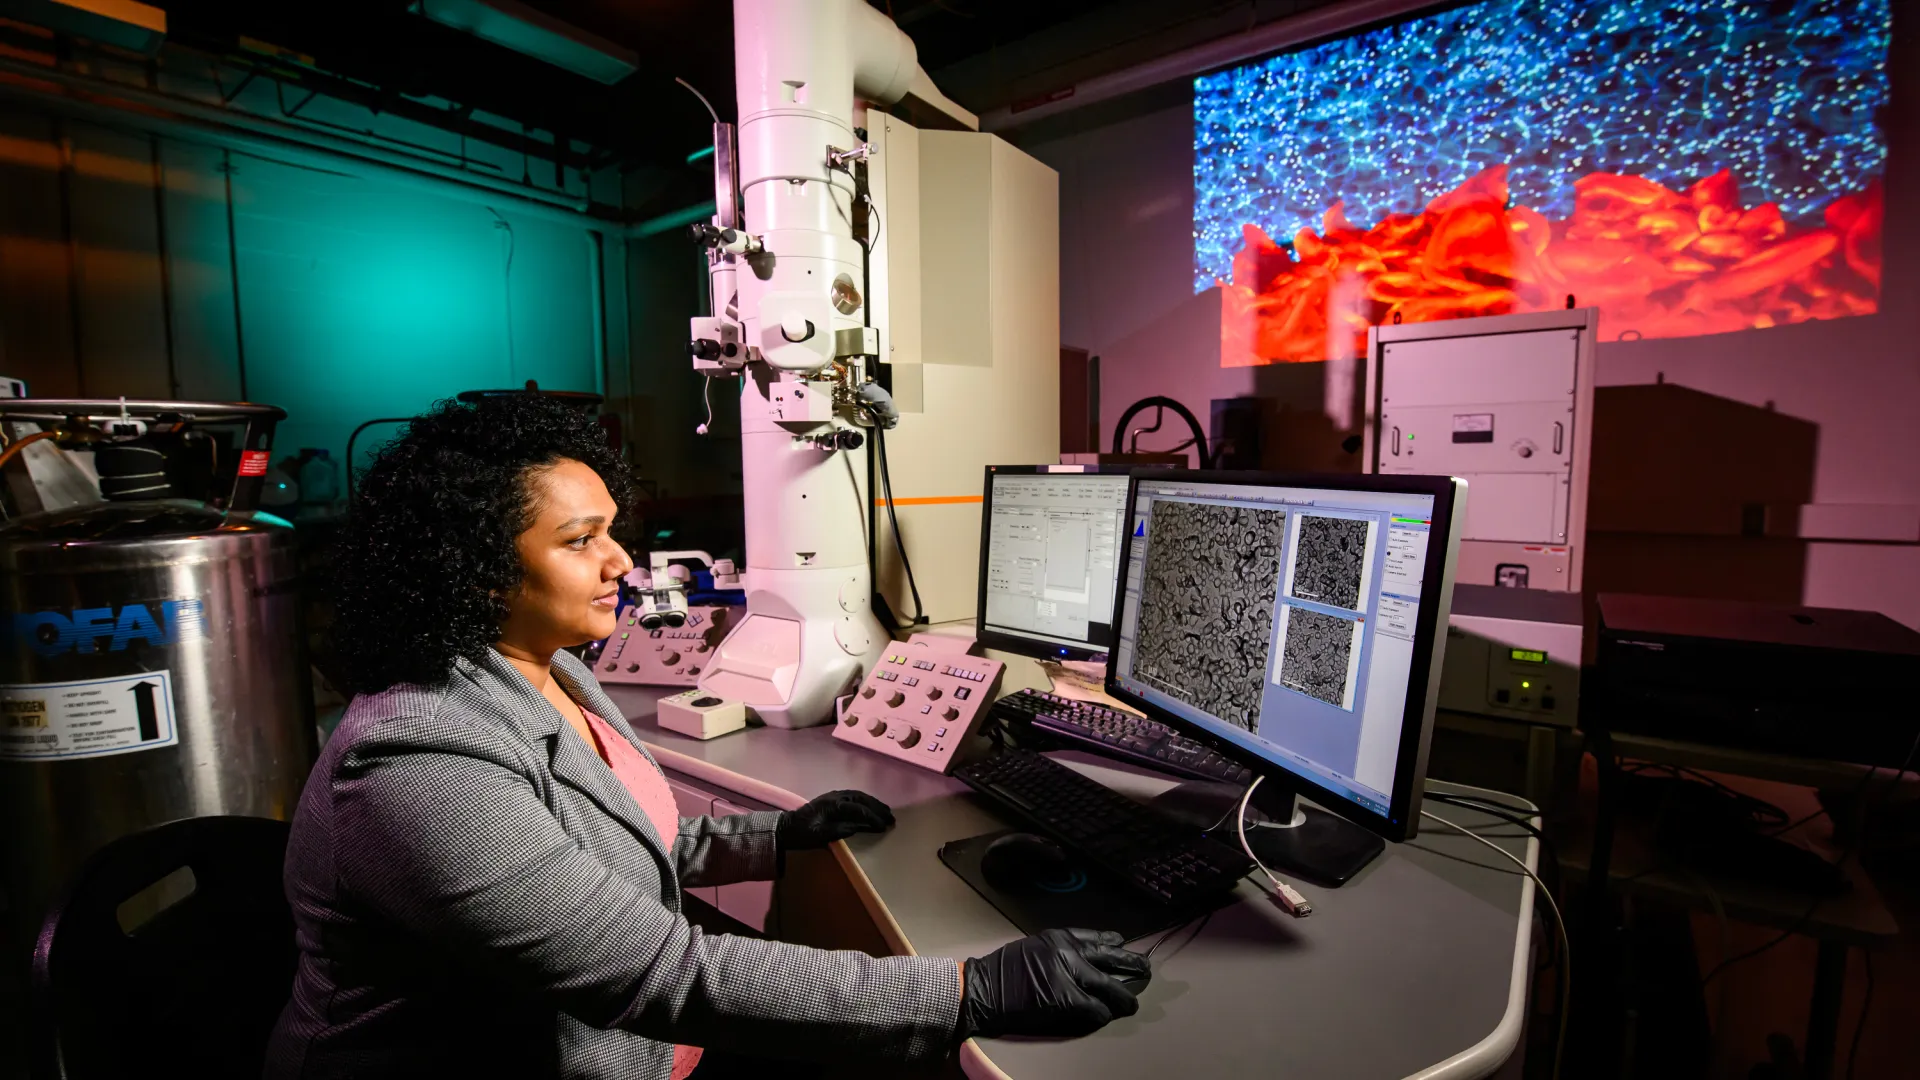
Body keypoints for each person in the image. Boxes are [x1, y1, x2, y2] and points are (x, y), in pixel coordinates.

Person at [265, 394, 1147, 1079]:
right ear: (476, 569)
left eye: (613, 528)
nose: (622, 560)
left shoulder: (551, 665)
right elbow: (659, 974)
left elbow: (609, 846)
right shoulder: (417, 763)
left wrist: (771, 835)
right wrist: (965, 989)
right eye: (582, 540)